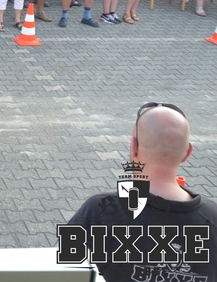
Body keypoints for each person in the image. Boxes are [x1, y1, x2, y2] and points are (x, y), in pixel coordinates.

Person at [66, 102, 217, 282]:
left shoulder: (100, 211)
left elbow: (58, 272)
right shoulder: (213, 218)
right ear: (188, 152)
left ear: (134, 147)